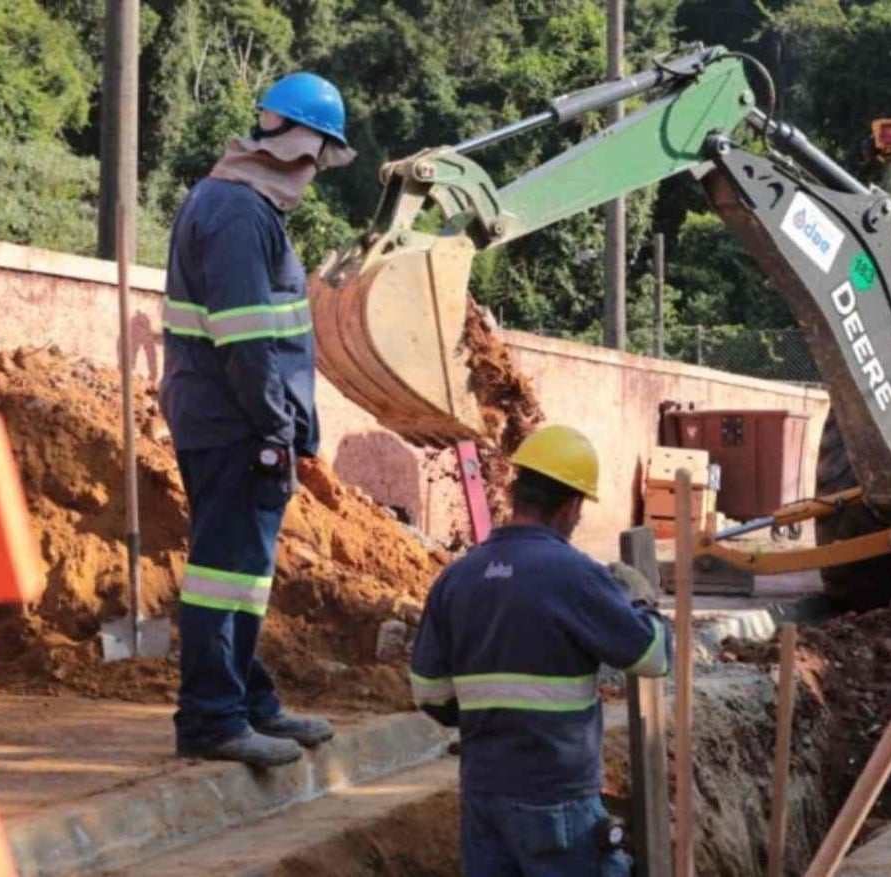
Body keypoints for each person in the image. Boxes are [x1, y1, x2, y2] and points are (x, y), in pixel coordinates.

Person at [159, 72, 357, 767]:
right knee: (225, 570)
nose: (313, 173)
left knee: (242, 572)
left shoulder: (241, 207)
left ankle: (249, 698)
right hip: (235, 424)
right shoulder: (239, 213)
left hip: (230, 419)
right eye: (316, 157)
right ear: (297, 148)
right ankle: (213, 716)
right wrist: (278, 427)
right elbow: (245, 342)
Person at [410, 425, 672, 876]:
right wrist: (643, 601)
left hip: (484, 796)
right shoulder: (575, 576)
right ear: (571, 506)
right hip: (556, 797)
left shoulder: (458, 578)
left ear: (518, 494)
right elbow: (652, 658)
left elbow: (430, 694)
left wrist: (486, 717)